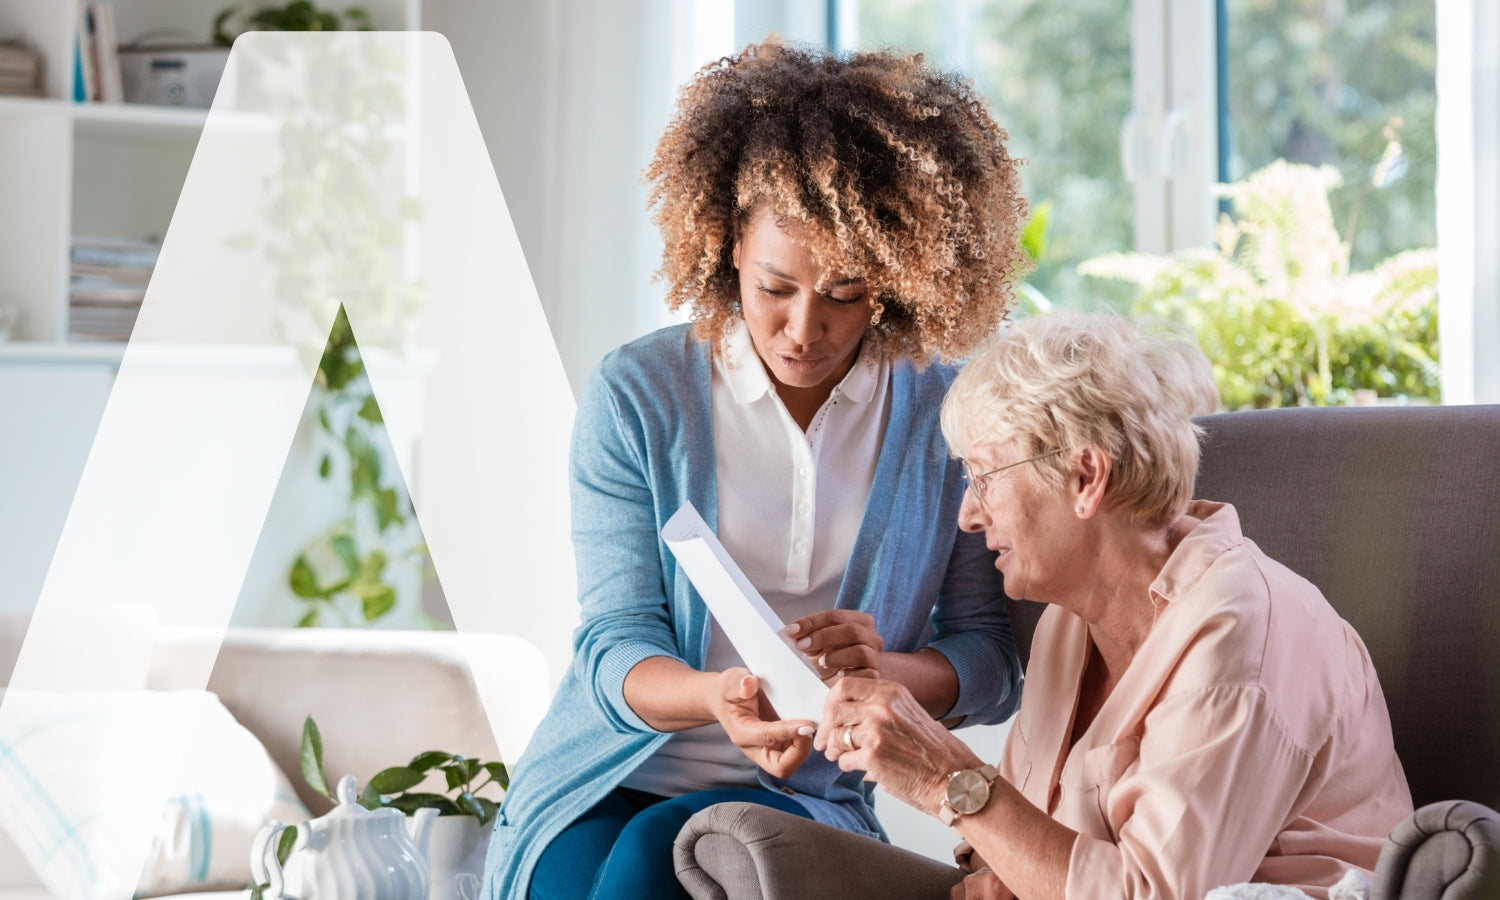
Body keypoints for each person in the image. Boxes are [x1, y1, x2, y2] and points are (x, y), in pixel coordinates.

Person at [481, 38, 1033, 900]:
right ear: (730, 240)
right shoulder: (641, 396)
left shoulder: (943, 419)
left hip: (802, 790)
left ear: (894, 280)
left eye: (845, 295)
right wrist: (717, 699)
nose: (803, 329)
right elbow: (614, 642)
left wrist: (882, 672)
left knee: (663, 855)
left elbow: (990, 661)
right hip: (605, 775)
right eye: (776, 286)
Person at [816, 312, 1414, 900]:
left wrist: (943, 775)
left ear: (1085, 478)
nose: (968, 516)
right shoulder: (1066, 625)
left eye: (984, 477)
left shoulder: (1241, 634)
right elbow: (1023, 846)